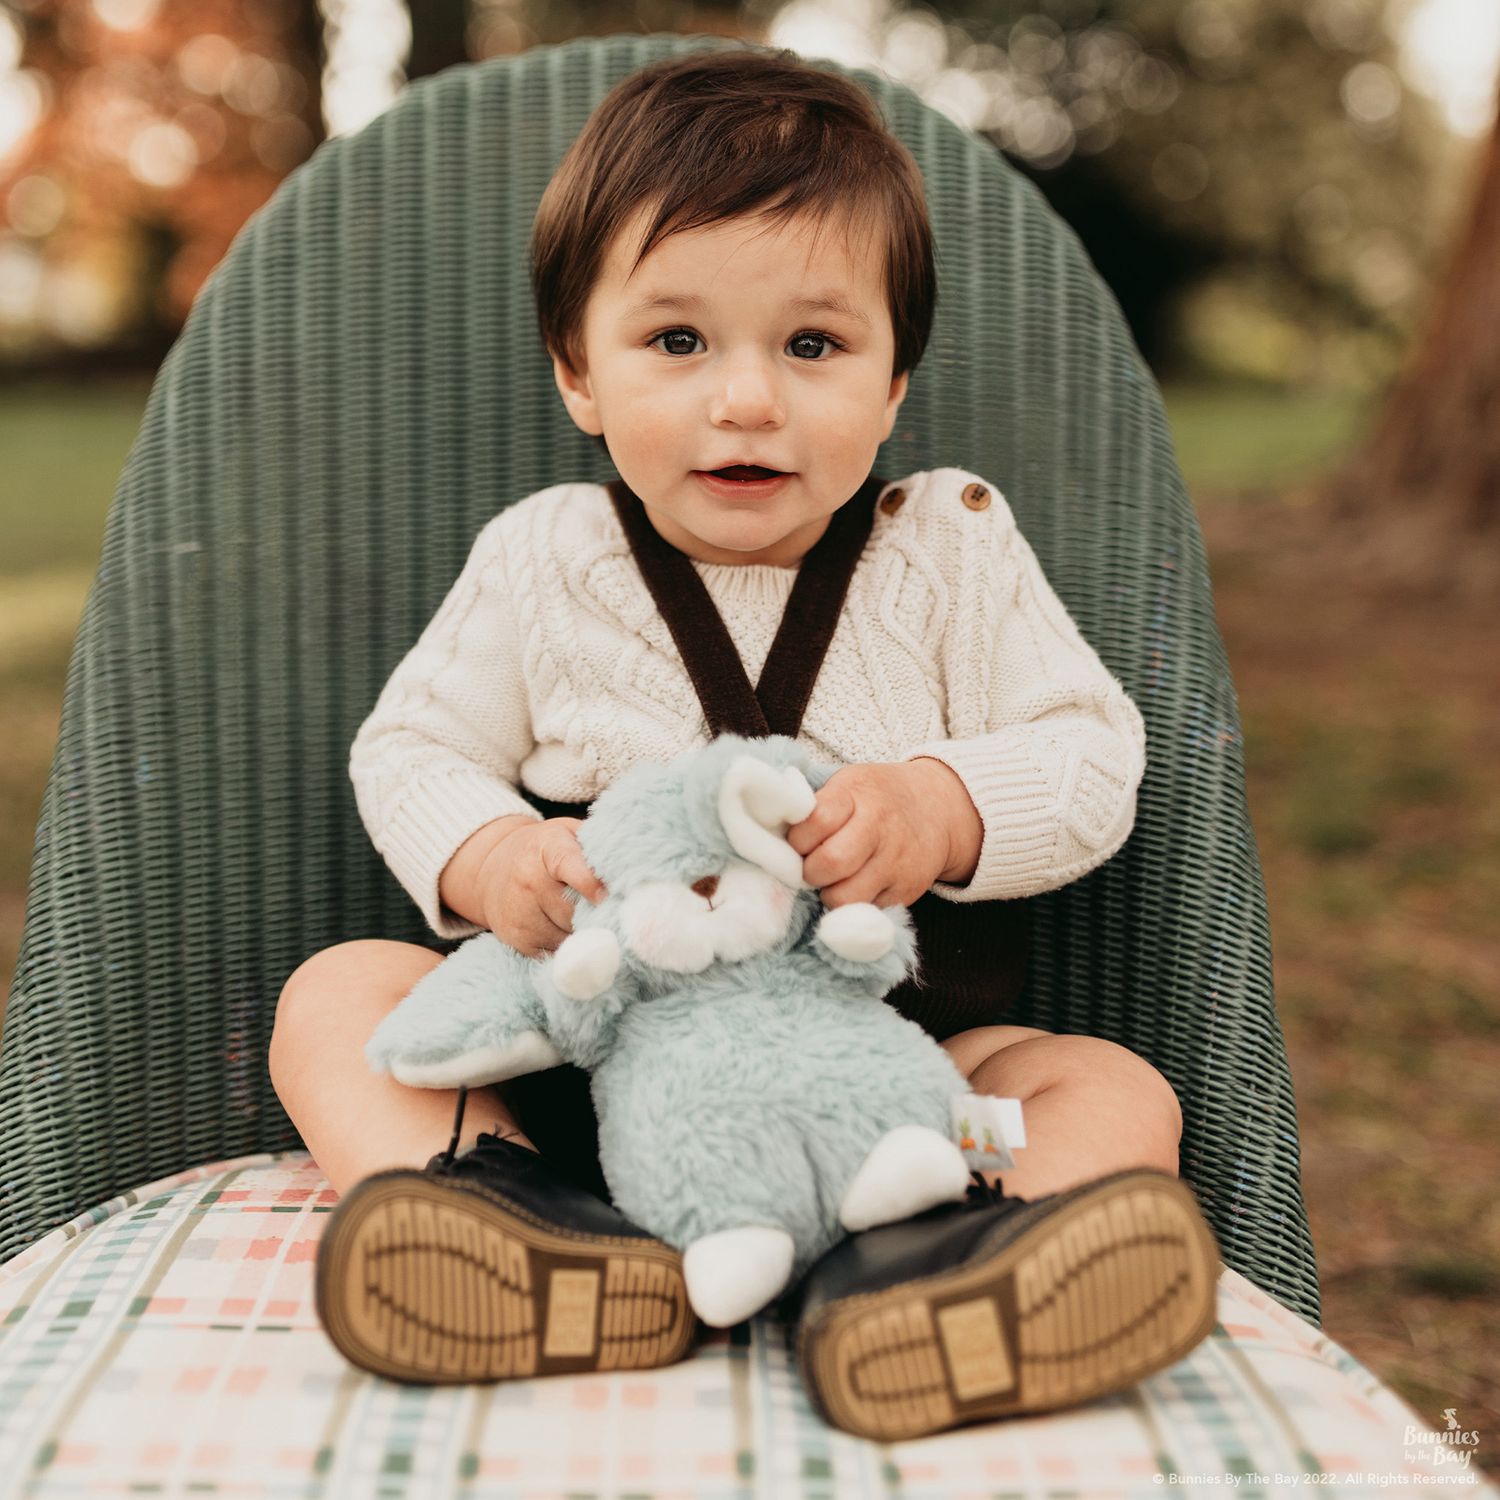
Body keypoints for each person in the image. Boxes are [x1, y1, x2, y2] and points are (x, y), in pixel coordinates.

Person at [270, 45, 1220, 1439]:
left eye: (814, 346)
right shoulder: (547, 558)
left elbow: (1093, 753)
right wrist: (489, 858)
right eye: (676, 342)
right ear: (577, 371)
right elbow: (408, 749)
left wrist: (942, 805)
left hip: (897, 1087)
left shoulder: (949, 546)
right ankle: (504, 1219)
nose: (748, 400)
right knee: (339, 998)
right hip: (577, 1081)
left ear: (895, 384)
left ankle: (940, 1259)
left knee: (1109, 1091)